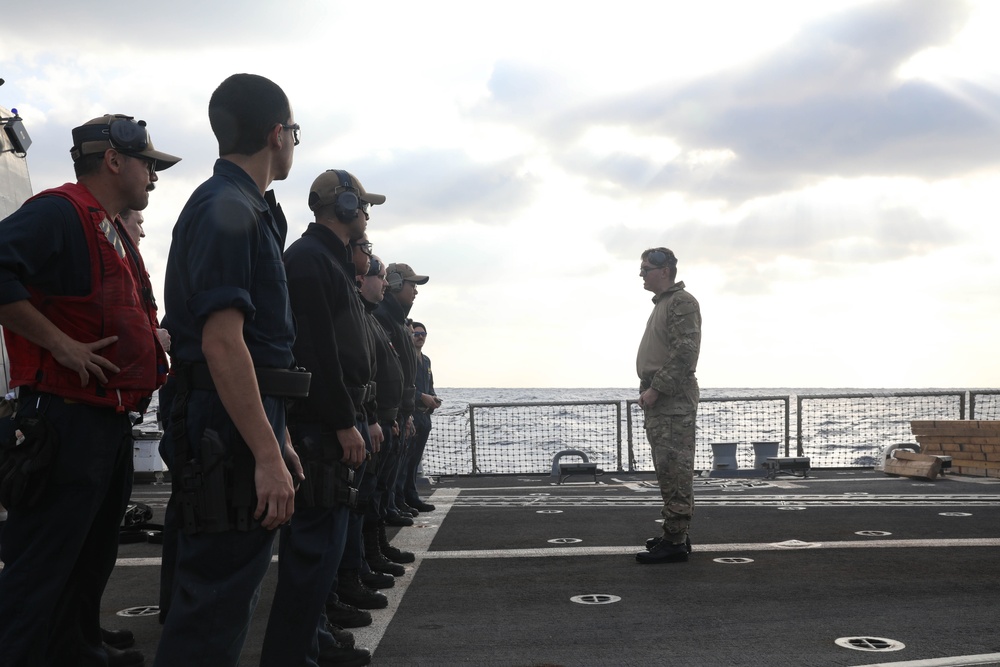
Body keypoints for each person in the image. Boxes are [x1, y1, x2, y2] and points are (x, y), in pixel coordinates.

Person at [0, 113, 178, 666]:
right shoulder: (59, 211)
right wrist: (61, 345)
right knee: (42, 565)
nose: (153, 175)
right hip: (64, 419)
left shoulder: (105, 225)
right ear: (114, 160)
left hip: (104, 419)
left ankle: (75, 647)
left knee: (90, 553)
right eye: (147, 163)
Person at [154, 73, 307, 667]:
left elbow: (263, 347)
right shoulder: (227, 209)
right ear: (277, 134)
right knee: (212, 611)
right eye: (294, 130)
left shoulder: (246, 207)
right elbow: (223, 344)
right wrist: (266, 456)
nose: (293, 141)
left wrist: (280, 435)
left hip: (241, 417)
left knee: (221, 600)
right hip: (224, 425)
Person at [260, 169, 384, 667]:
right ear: (346, 205)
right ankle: (296, 656)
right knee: (313, 552)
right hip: (320, 427)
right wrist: (342, 420)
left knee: (323, 549)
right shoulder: (312, 262)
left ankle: (313, 641)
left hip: (329, 419)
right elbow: (316, 352)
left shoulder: (324, 262)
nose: (368, 216)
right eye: (363, 207)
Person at [634, 247, 701, 565]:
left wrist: (657, 390)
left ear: (665, 270)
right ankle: (675, 534)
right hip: (661, 401)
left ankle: (675, 540)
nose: (642, 274)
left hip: (671, 401)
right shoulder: (664, 304)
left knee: (675, 471)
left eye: (646, 269)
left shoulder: (681, 302)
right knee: (667, 471)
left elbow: (685, 353)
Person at [376, 264, 428, 524]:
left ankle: (390, 511)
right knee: (377, 486)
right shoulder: (385, 318)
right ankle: (372, 548)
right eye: (412, 285)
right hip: (390, 414)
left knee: (387, 477)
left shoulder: (396, 320)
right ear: (395, 284)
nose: (415, 291)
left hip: (399, 413)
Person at [405, 321, 441, 512]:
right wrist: (421, 397)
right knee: (406, 461)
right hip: (410, 415)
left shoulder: (426, 361)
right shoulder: (406, 358)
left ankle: (411, 496)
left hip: (424, 417)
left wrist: (433, 399)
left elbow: (430, 384)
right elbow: (404, 385)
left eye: (423, 334)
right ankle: (404, 498)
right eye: (416, 333)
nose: (420, 337)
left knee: (415, 459)